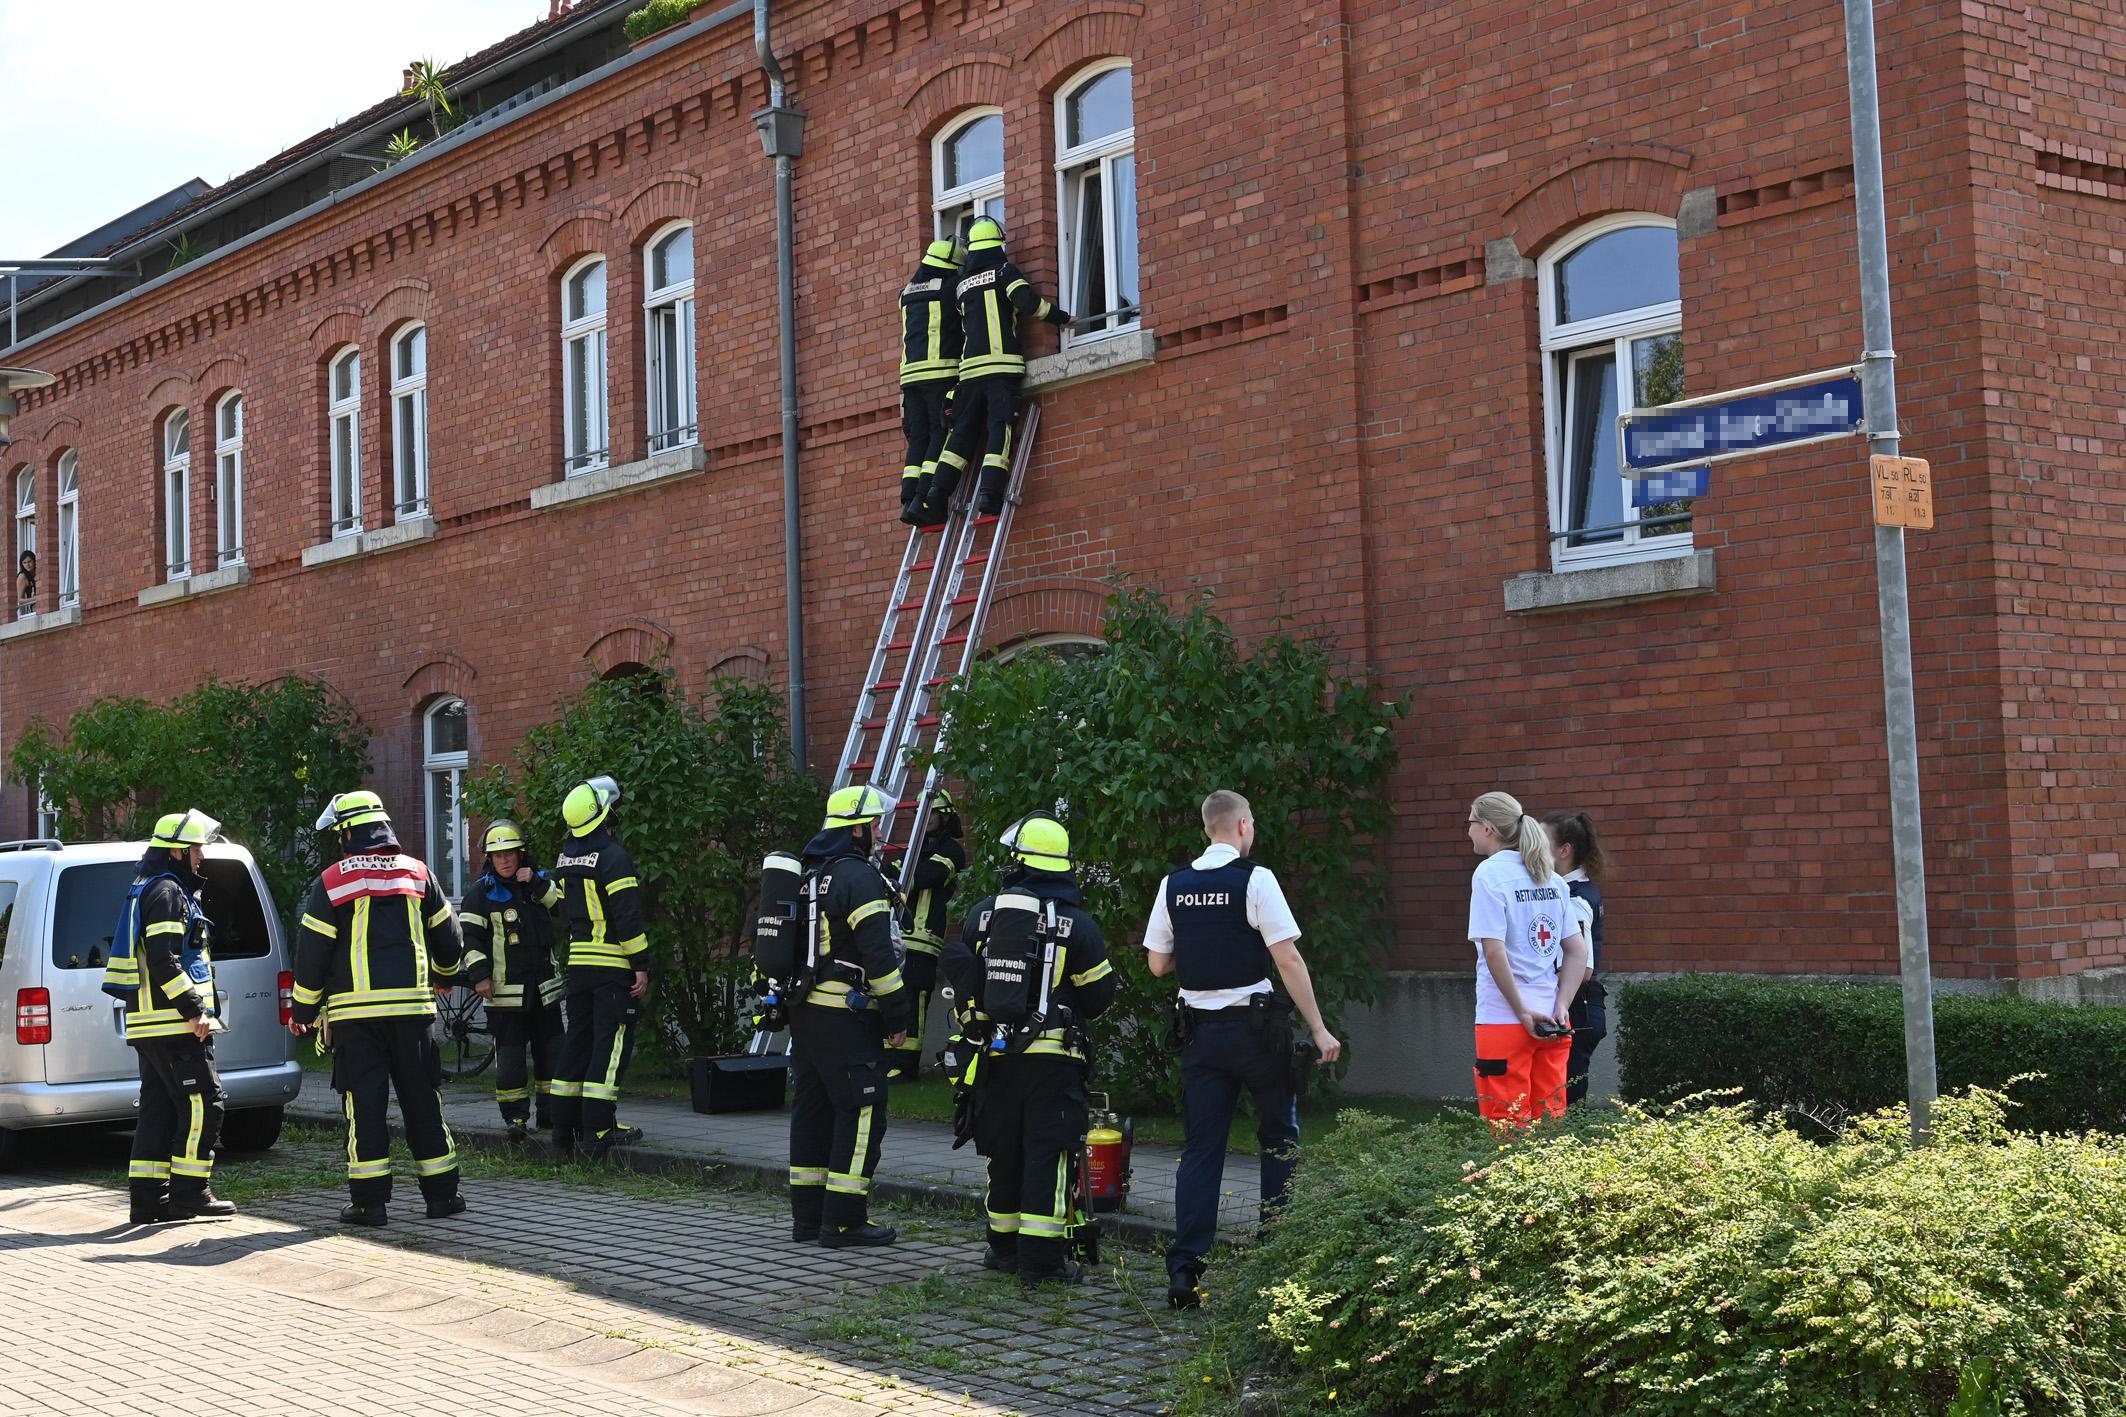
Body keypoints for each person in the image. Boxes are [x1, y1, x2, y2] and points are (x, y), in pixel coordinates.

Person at [1143, 789, 1342, 1311]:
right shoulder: (1256, 879)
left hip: (1199, 1037)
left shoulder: (1174, 885)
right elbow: (1288, 959)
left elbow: (1157, 965)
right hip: (1256, 1034)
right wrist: (1319, 1029)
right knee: (1278, 1136)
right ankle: (1277, 1261)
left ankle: (1185, 1271)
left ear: (1208, 828)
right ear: (1243, 827)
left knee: (1202, 1149)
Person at [944, 814, 1115, 1286]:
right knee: (1048, 1152)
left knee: (1003, 1150)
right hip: (1053, 1060)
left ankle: (1001, 1250)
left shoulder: (982, 914)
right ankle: (1042, 1262)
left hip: (993, 1058)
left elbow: (969, 976)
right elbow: (1099, 997)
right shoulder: (1077, 925)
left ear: (1018, 863)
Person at [290, 791, 466, 1227]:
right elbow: (450, 937)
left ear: (348, 833)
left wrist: (304, 1010)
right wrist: (444, 976)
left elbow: (312, 954)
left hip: (356, 1020)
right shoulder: (418, 873)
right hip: (412, 1015)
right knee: (423, 1099)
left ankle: (370, 1204)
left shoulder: (331, 881)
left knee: (364, 1106)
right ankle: (442, 1196)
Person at [786, 784, 914, 1247]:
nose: (880, 833)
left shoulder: (809, 873)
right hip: (846, 1015)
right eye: (875, 824)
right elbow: (878, 954)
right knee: (861, 1112)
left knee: (813, 1110)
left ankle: (808, 1218)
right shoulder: (857, 877)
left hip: (806, 1013)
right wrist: (898, 1016)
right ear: (856, 828)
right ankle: (843, 1220)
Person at [904, 217, 1071, 527]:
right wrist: (1063, 318)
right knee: (999, 428)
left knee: (960, 435)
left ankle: (936, 493)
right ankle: (990, 494)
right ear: (998, 244)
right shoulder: (1005, 272)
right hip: (1000, 367)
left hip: (967, 373)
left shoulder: (961, 284)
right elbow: (1028, 302)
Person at [117, 809, 235, 1224]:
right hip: (174, 1025)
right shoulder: (166, 890)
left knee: (158, 1110)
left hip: (151, 1025)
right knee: (206, 1103)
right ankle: (191, 1192)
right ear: (177, 852)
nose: (201, 857)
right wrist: (195, 1010)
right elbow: (164, 960)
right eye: (197, 848)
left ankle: (149, 1202)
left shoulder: (149, 886)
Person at [1466, 791, 1589, 1126]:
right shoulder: (1550, 877)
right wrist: (1562, 1005)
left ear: (1488, 828)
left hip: (1505, 1018)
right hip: (1554, 1019)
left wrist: (1520, 1010)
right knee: (1550, 1123)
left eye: (1471, 823)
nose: (1468, 832)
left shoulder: (1489, 874)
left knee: (1507, 1127)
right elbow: (1578, 951)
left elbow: (1494, 951)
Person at [548, 775, 649, 1163]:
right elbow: (626, 916)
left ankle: (563, 1132)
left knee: (577, 1043)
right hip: (612, 966)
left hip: (579, 966)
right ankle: (600, 1130)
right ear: (603, 815)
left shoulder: (565, 856)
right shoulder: (613, 856)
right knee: (610, 1046)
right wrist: (639, 964)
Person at [461, 820, 565, 1141]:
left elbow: (564, 908)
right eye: (498, 856)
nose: (505, 861)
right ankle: (516, 1119)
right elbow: (471, 940)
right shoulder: (481, 894)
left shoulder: (539, 883)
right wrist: (479, 976)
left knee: (552, 1056)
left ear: (521, 855)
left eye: (510, 854)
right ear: (489, 860)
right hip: (505, 995)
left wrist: (535, 883)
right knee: (511, 1060)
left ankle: (551, 1115)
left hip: (544, 991)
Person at [888, 787, 966, 1082]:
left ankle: (905, 1067)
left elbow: (925, 877)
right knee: (891, 998)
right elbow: (889, 873)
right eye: (922, 812)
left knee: (913, 1002)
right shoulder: (913, 852)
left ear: (945, 817)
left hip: (923, 942)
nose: (927, 817)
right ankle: (888, 1061)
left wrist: (899, 873)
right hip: (896, 937)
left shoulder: (952, 852)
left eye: (932, 812)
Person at [1543, 810, 1609, 1107]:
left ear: (1564, 850)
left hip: (1578, 1012)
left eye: (1541, 842)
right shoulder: (1567, 892)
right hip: (1578, 1009)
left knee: (1566, 1103)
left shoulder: (1575, 898)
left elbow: (1582, 967)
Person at [898, 237, 964, 515]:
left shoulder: (906, 292)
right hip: (940, 372)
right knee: (939, 431)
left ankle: (908, 497)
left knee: (919, 436)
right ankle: (924, 499)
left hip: (910, 378)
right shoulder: (949, 288)